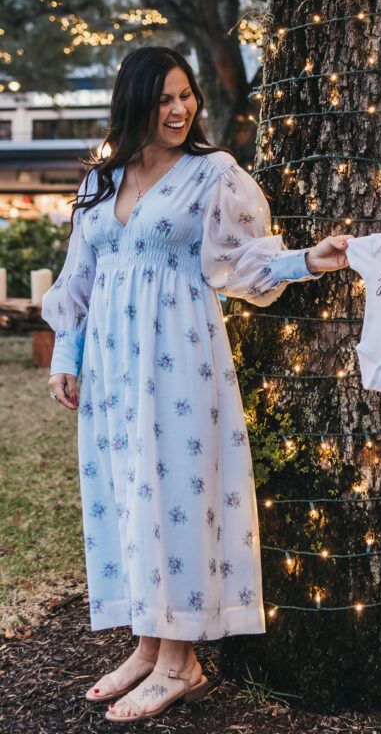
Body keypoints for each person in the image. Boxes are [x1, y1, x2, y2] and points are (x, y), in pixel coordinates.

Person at [43, 46, 349, 723]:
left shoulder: (212, 173)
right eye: (164, 99)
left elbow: (242, 262)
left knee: (176, 493)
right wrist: (67, 353)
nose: (179, 109)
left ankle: (181, 662)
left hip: (178, 360)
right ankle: (149, 646)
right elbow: (78, 279)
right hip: (113, 372)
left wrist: (308, 260)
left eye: (185, 95)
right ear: (134, 105)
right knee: (129, 495)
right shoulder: (102, 180)